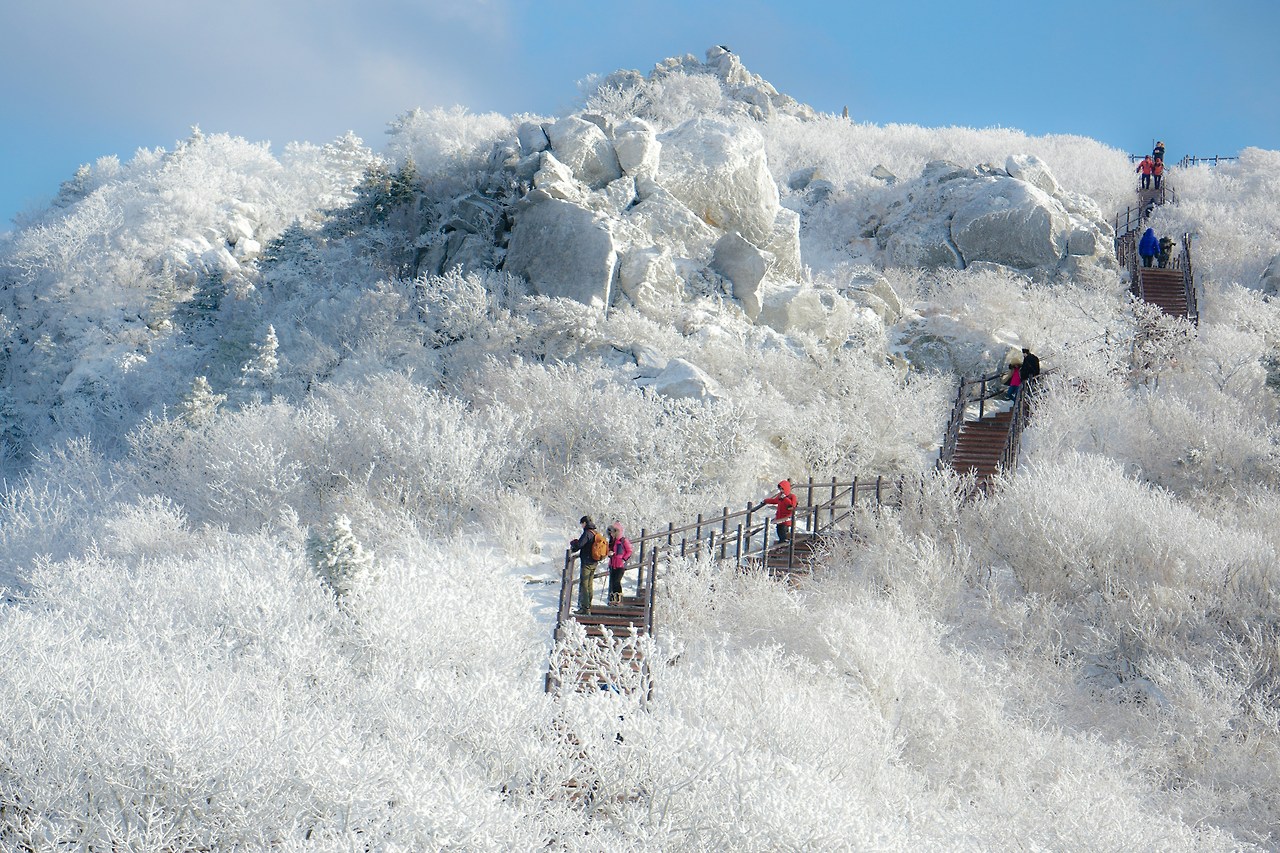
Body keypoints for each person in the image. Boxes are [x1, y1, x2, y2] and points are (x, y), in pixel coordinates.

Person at [569, 515, 603, 615]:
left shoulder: (587, 533)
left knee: (584, 584)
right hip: (594, 562)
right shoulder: (595, 533)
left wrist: (573, 545)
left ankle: (585, 608)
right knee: (589, 584)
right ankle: (588, 605)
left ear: (584, 523)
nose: (582, 526)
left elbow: (579, 545)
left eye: (582, 524)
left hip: (587, 562)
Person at [605, 522, 634, 606]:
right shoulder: (612, 541)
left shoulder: (623, 540)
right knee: (613, 581)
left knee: (617, 581)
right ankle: (614, 599)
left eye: (613, 532)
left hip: (620, 564)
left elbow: (629, 551)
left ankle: (618, 599)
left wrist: (623, 559)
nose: (611, 534)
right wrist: (609, 553)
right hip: (613, 564)